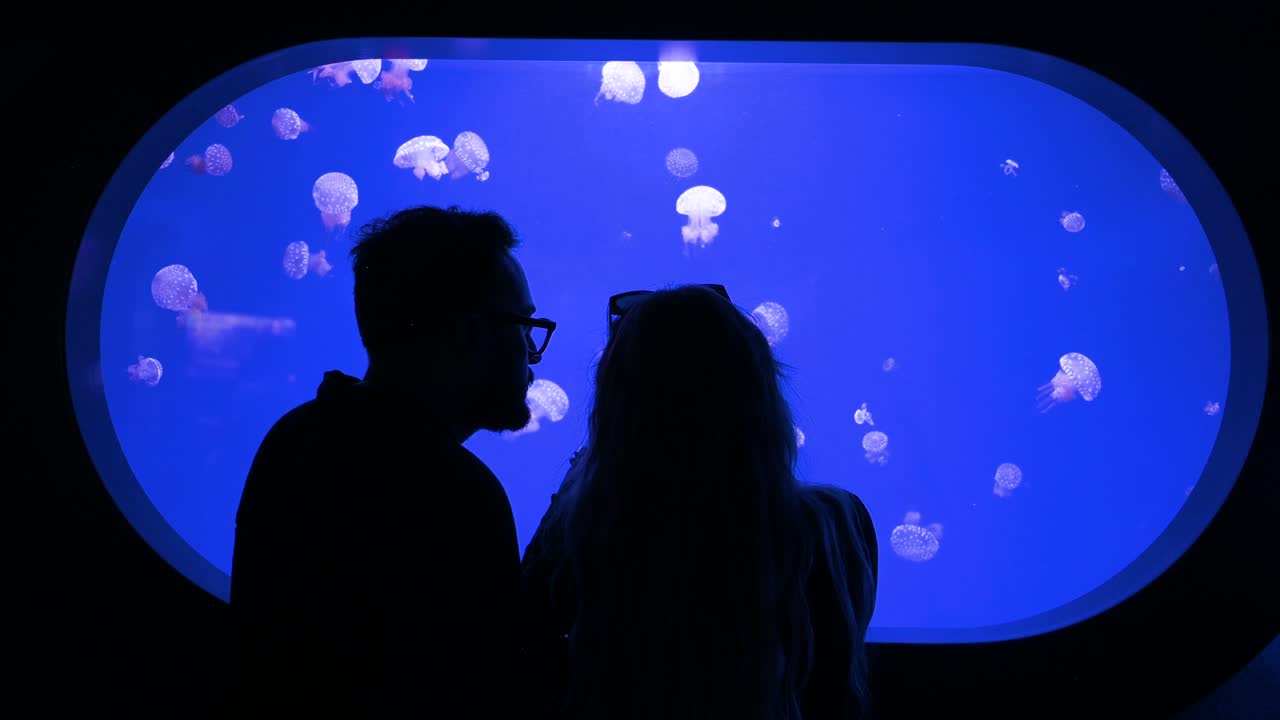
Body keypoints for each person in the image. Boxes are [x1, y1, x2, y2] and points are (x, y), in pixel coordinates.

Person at [228, 205, 556, 717]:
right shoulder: (455, 495)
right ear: (472, 333)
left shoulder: (294, 437)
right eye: (524, 325)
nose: (531, 350)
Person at [521, 284, 879, 720]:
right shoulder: (834, 525)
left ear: (618, 405)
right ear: (762, 392)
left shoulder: (583, 532)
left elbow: (521, 641)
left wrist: (591, 467)